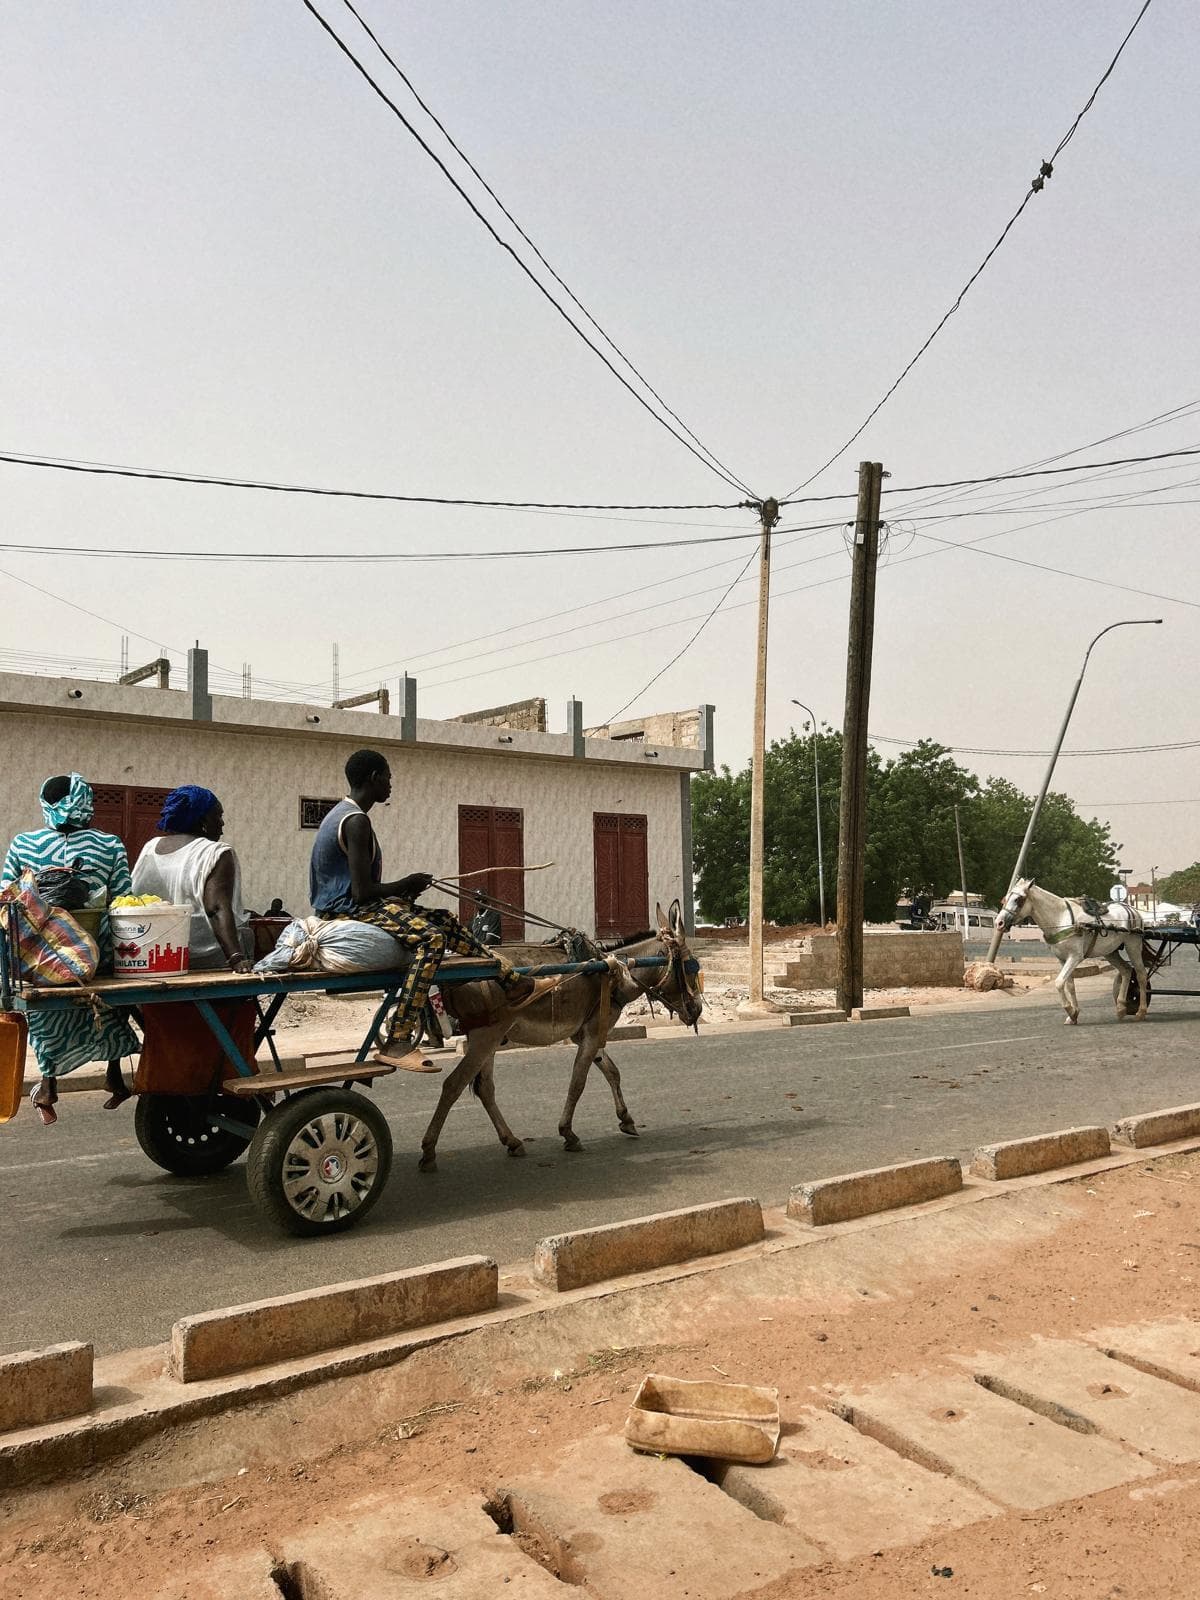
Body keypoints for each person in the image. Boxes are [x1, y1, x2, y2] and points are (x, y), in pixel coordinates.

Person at [309, 749, 554, 1072]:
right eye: (388, 777)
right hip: (345, 911)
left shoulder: (346, 815)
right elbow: (361, 892)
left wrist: (405, 889)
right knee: (432, 939)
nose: (391, 784)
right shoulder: (355, 821)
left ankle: (512, 983)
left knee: (444, 920)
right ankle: (398, 1037)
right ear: (374, 778)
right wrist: (404, 883)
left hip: (355, 905)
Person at [1, 774, 140, 1124]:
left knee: (47, 1016)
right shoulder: (110, 844)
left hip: (42, 954)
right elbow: (124, 897)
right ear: (87, 804)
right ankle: (114, 1075)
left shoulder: (24, 844)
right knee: (108, 1008)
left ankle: (48, 1086)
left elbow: (7, 898)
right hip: (96, 952)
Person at [132, 786, 252, 972]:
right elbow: (216, 908)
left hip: (153, 955)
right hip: (205, 958)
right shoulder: (215, 852)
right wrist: (236, 958)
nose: (222, 823)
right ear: (203, 820)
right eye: (218, 816)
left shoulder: (150, 848)